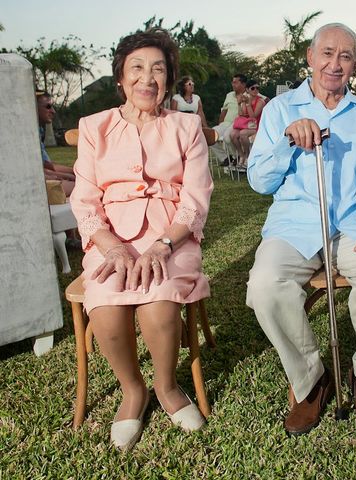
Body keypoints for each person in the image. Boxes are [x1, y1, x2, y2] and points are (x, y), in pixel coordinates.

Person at [246, 23, 356, 435]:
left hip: (353, 224)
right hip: (294, 223)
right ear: (310, 57)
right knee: (264, 284)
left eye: (346, 56)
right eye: (327, 53)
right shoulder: (281, 109)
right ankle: (311, 380)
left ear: (355, 65)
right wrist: (286, 141)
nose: (335, 64)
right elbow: (260, 181)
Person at [70, 28, 213, 451]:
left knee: (159, 306)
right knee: (108, 312)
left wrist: (163, 245)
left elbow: (196, 197)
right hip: (109, 236)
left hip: (172, 235)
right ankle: (134, 391)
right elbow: (84, 199)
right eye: (137, 68)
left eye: (158, 69)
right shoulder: (94, 127)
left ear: (168, 79)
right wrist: (110, 246)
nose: (147, 78)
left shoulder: (186, 126)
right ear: (121, 77)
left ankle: (167, 387)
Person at [36, 91, 75, 196]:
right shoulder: (25, 136)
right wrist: (56, 175)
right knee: (84, 188)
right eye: (48, 106)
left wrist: (74, 172)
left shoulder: (38, 130)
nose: (53, 111)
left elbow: (46, 166)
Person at [211, 73, 247, 165]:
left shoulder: (249, 94)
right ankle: (226, 158)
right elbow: (224, 111)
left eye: (235, 82)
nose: (233, 84)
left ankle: (238, 157)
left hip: (238, 124)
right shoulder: (229, 95)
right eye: (232, 82)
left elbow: (263, 98)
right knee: (209, 135)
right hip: (226, 123)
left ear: (243, 84)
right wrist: (220, 124)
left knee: (228, 137)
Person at [229, 79, 265, 168]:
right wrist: (239, 104)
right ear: (247, 90)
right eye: (253, 88)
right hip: (248, 125)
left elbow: (253, 117)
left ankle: (248, 156)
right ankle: (242, 155)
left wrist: (248, 104)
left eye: (257, 88)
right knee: (233, 134)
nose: (256, 90)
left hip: (257, 126)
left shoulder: (261, 101)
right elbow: (242, 114)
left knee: (242, 133)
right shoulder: (246, 99)